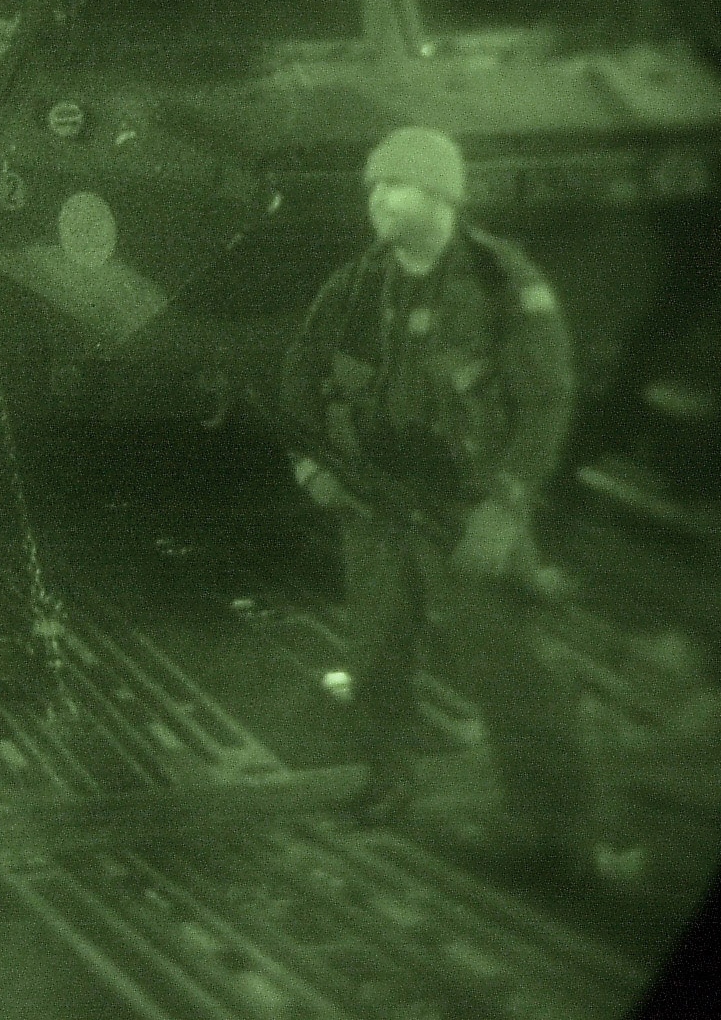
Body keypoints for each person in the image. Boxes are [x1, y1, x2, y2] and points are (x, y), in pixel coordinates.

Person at [279, 125, 610, 882]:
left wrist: (506, 506)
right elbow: (299, 377)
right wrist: (310, 467)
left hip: (467, 508)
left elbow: (547, 401)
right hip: (375, 507)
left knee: (510, 665)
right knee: (375, 655)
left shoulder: (500, 283)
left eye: (392, 186)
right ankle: (388, 783)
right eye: (370, 187)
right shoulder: (357, 286)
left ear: (440, 195)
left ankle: (558, 828)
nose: (375, 202)